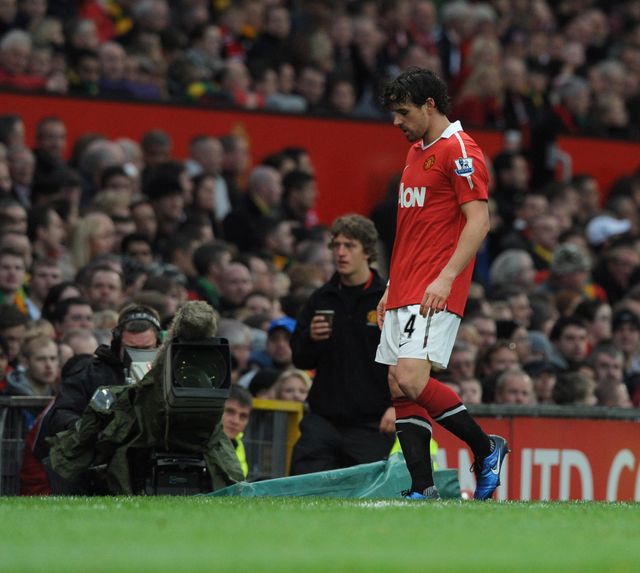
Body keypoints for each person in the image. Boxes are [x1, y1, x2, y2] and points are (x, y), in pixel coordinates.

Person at [376, 68, 508, 501]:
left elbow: (479, 222)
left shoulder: (460, 150)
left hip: (434, 287)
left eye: (403, 111)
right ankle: (422, 488)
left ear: (429, 105)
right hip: (405, 285)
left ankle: (486, 448)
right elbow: (413, 229)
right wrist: (391, 285)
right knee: (398, 383)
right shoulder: (416, 151)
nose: (396, 121)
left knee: (412, 378)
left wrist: (446, 277)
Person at [290, 214, 393, 475]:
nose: (341, 252)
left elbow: (404, 358)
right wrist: (310, 338)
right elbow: (300, 358)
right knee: (302, 489)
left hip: (371, 424)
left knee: (365, 496)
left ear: (367, 251)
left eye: (350, 245)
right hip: (323, 420)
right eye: (336, 245)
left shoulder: (388, 299)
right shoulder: (321, 298)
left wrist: (397, 406)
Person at [40, 304, 162, 457]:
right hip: (101, 458)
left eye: (146, 349)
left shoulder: (167, 375)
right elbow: (61, 414)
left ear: (159, 345)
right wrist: (92, 430)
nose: (137, 355)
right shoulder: (90, 374)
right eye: (131, 348)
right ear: (117, 344)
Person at [222, 385, 252, 479]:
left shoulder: (238, 443)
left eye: (243, 416)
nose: (236, 421)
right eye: (230, 412)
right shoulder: (203, 445)